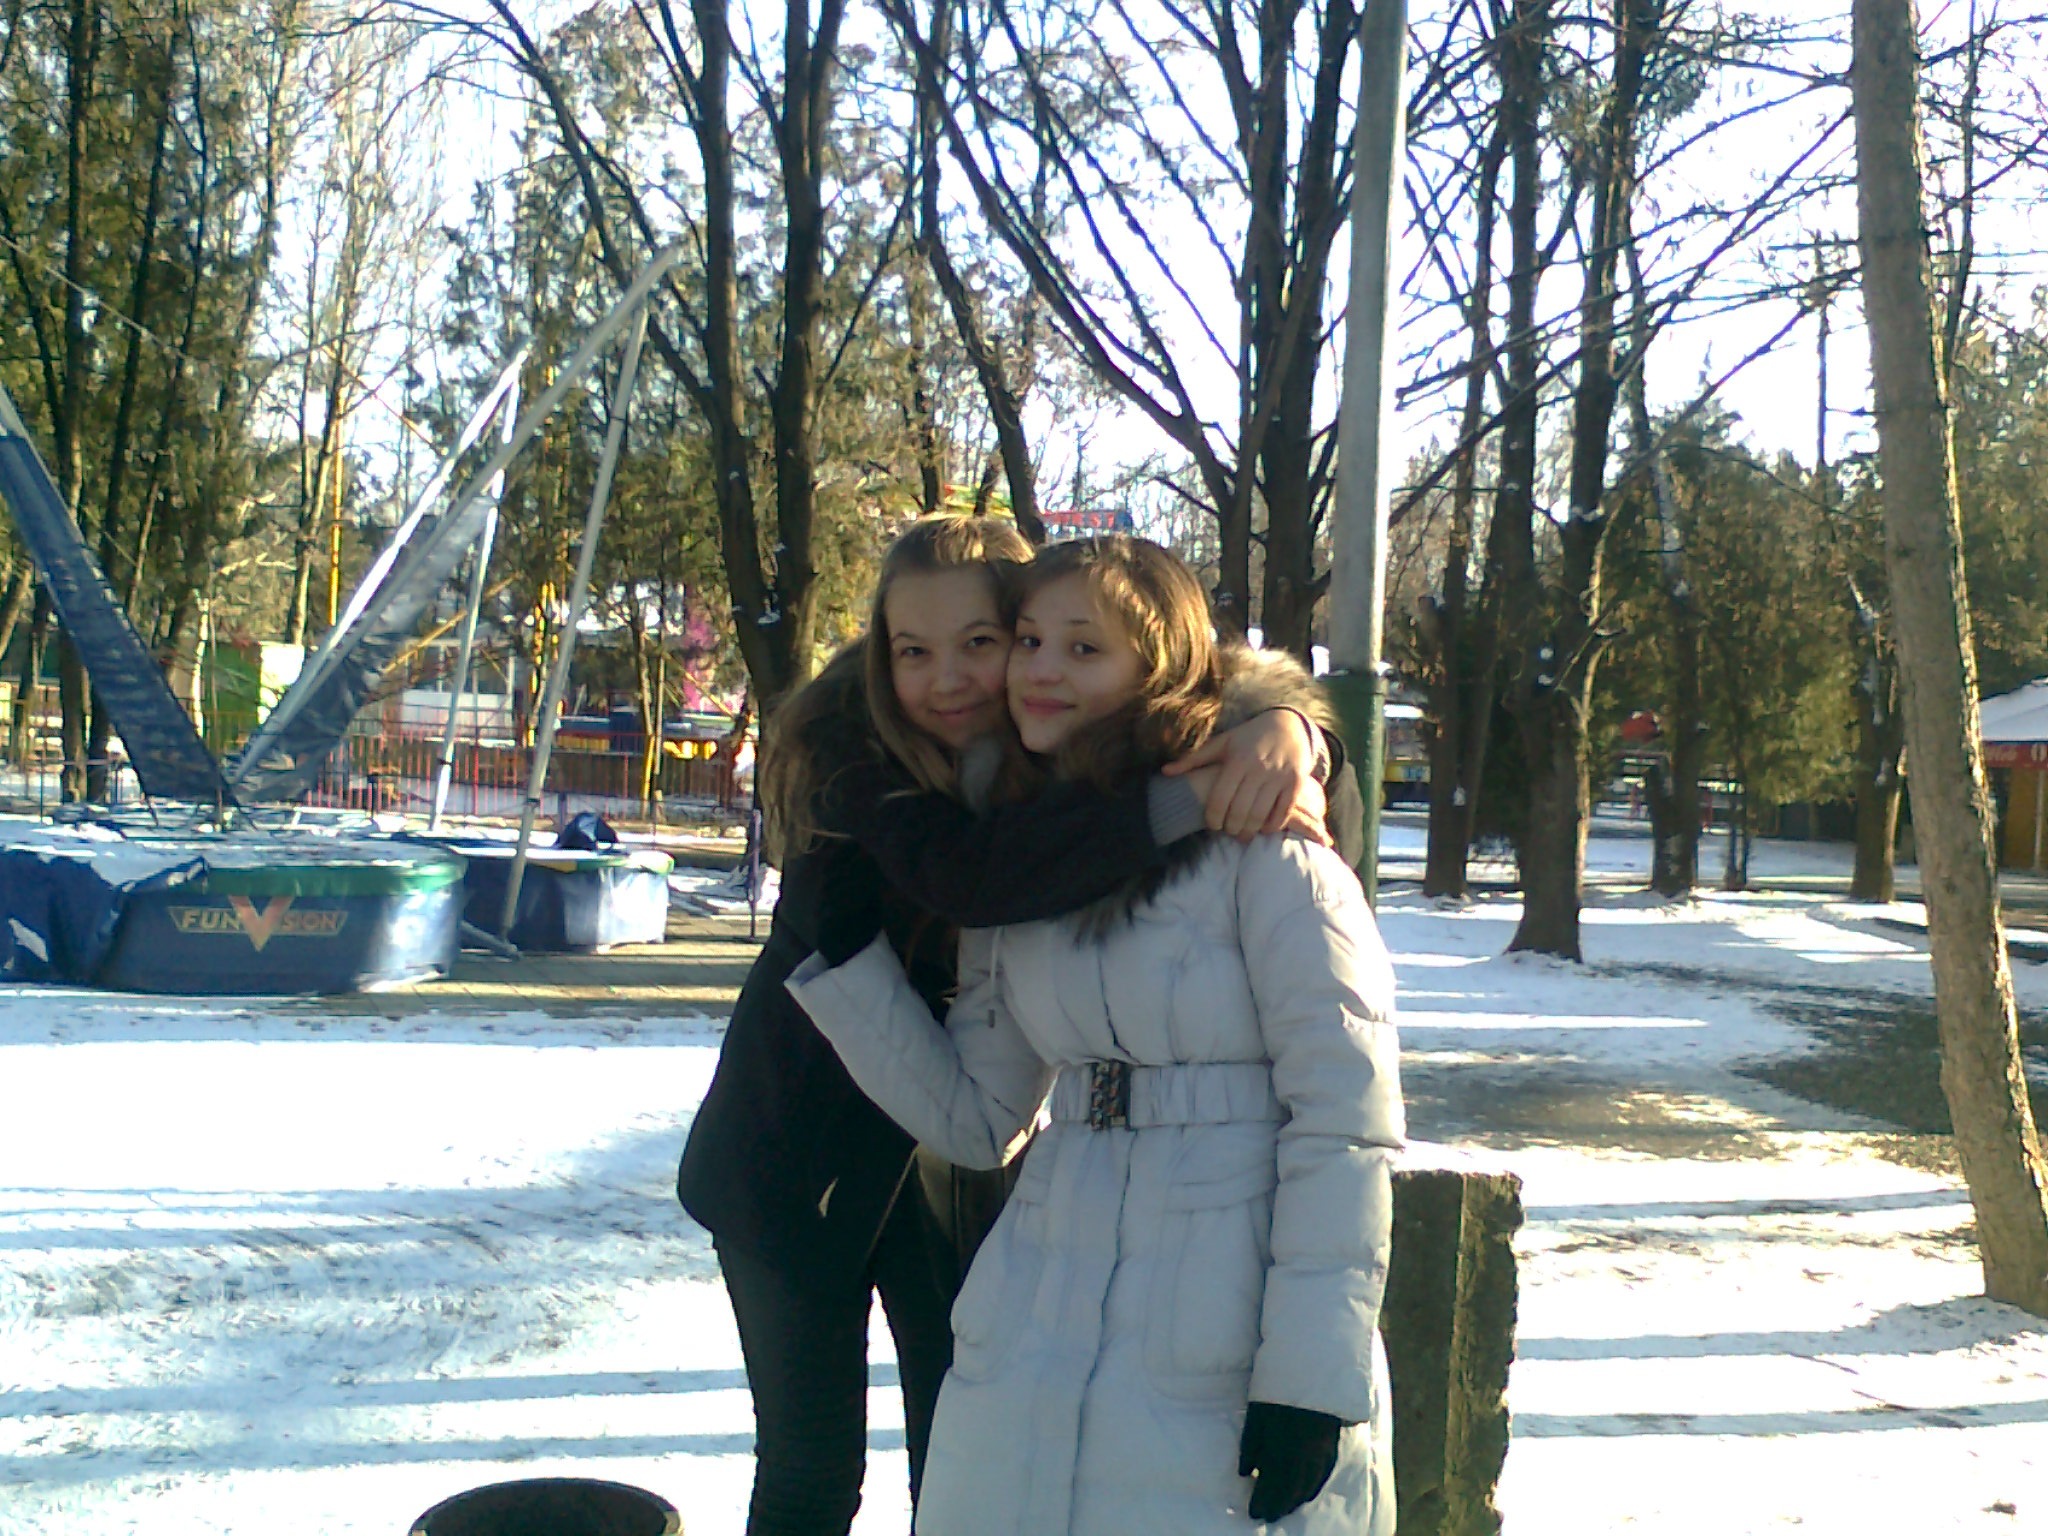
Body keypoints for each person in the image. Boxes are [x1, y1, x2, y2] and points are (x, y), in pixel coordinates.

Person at [676, 515, 1346, 1536]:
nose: (947, 678)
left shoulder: (1051, 758)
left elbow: (1186, 692)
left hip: (953, 1163)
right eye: (912, 650)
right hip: (791, 1154)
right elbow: (980, 878)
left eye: (983, 642)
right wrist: (1193, 797)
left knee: (963, 1469)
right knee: (810, 1473)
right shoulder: (854, 756)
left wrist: (1292, 732)